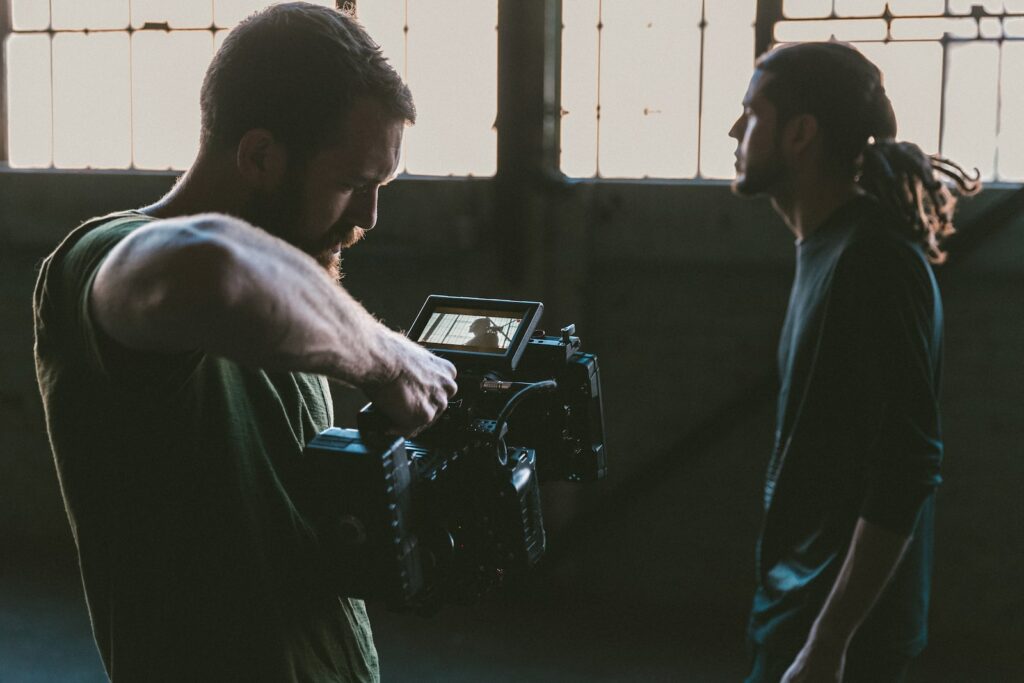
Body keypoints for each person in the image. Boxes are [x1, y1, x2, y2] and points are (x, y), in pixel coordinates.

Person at [33, 3, 457, 681]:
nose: (368, 217)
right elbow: (214, 270)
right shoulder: (96, 259)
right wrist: (389, 360)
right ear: (261, 155)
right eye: (351, 183)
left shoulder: (290, 284)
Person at [728, 41, 978, 683]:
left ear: (800, 133)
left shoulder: (875, 261)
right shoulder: (828, 247)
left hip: (840, 637)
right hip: (795, 604)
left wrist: (830, 640)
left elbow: (908, 464)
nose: (735, 128)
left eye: (752, 112)